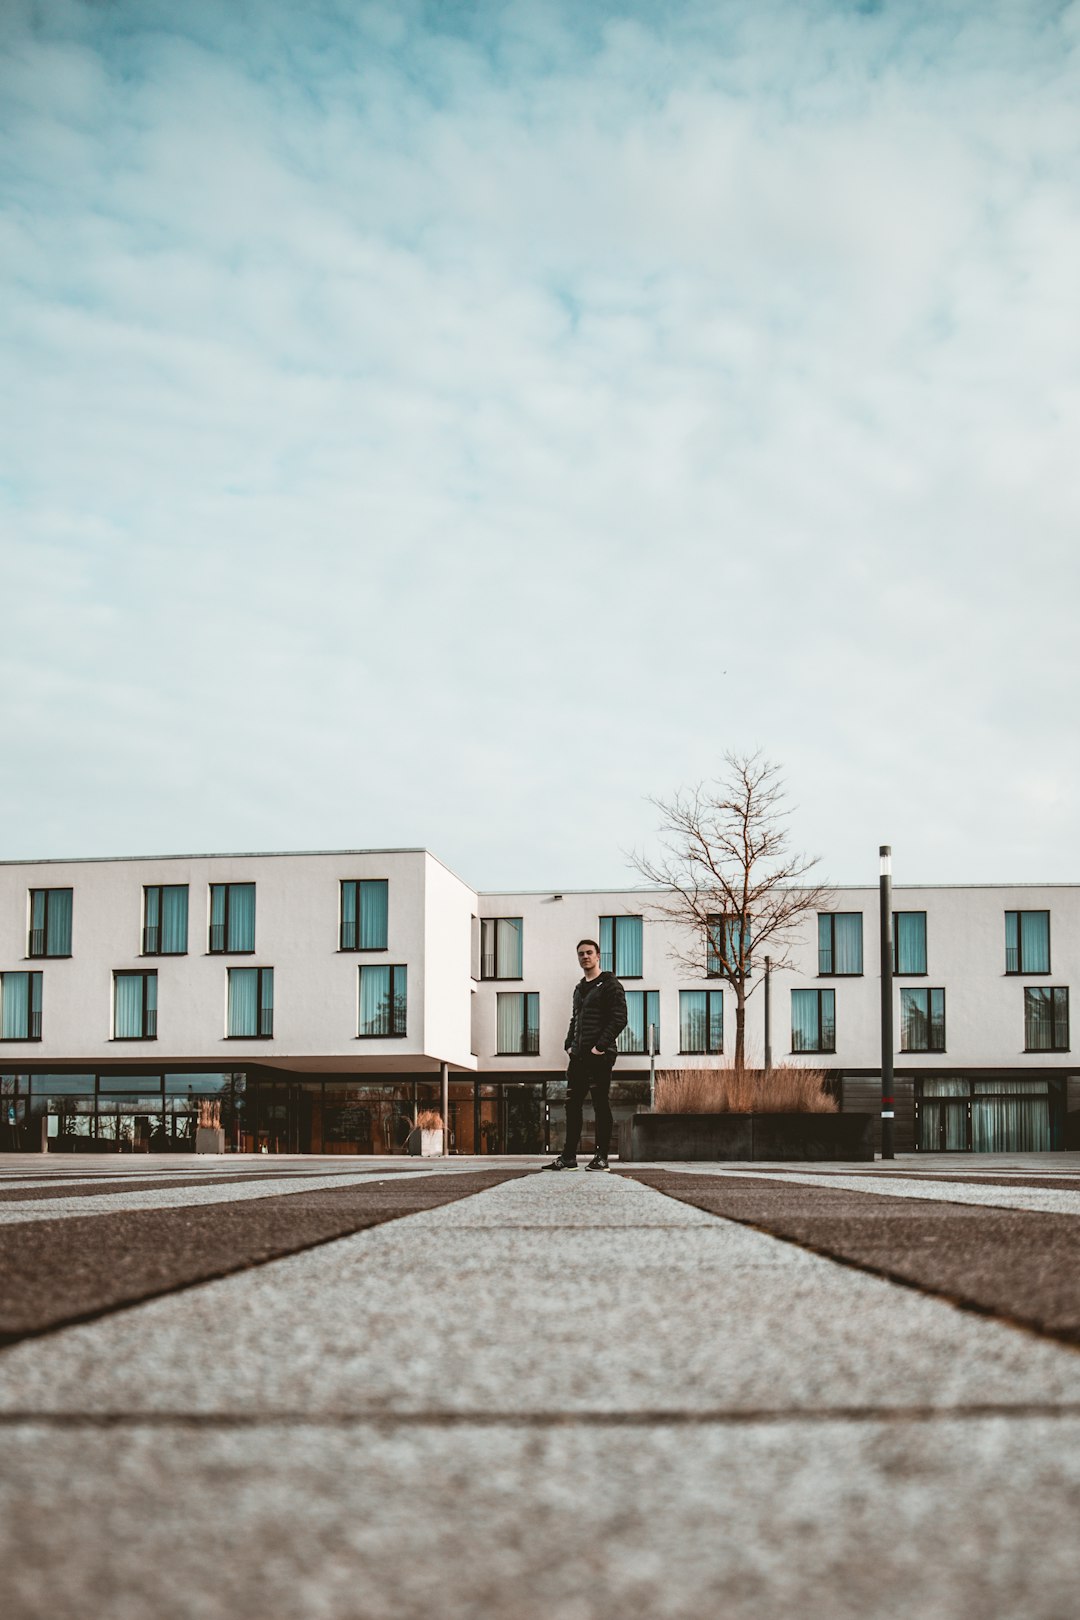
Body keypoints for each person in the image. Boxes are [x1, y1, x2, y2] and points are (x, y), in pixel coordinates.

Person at [545, 937, 627, 1171]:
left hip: (600, 1055)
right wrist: (569, 1044)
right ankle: (568, 1157)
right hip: (578, 1056)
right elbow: (576, 1019)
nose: (585, 957)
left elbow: (619, 1018)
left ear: (598, 956)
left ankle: (601, 1158)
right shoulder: (579, 989)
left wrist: (599, 1047)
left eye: (589, 952)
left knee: (601, 1104)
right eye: (581, 953)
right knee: (572, 1105)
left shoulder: (610, 984)